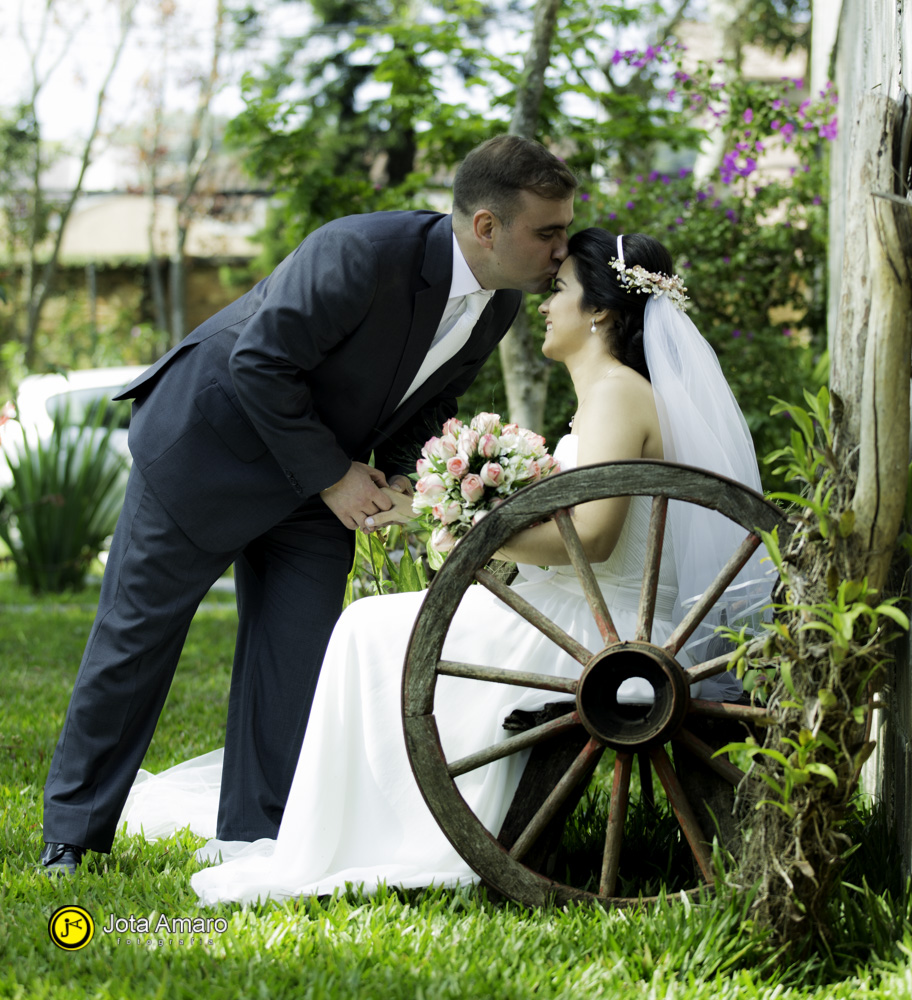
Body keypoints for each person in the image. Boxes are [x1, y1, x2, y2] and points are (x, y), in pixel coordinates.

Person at [119, 228, 771, 904]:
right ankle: (356, 820)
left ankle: (375, 831)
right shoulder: (622, 391)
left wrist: (460, 521)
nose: (546, 305)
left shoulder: (614, 392)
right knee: (368, 627)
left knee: (366, 629)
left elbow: (593, 540)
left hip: (595, 633)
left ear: (601, 311)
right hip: (589, 619)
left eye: (562, 290)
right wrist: (445, 507)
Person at [39, 135, 578, 875]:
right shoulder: (360, 250)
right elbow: (257, 360)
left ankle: (259, 838)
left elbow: (428, 401)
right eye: (548, 231)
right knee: (136, 642)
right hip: (209, 451)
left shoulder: (498, 305)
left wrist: (397, 481)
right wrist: (335, 477)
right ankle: (70, 834)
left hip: (316, 489)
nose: (561, 248)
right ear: (487, 226)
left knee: (296, 662)